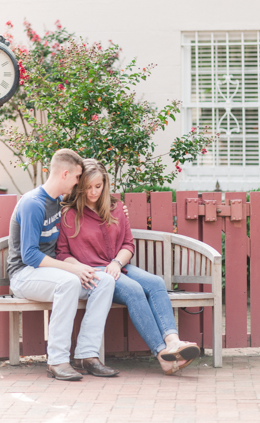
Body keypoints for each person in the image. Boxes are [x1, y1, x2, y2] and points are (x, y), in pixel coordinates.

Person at [57, 159, 201, 375]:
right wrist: (80, 268)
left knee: (155, 282)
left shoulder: (115, 208)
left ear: (105, 184)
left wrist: (116, 262)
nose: (93, 192)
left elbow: (127, 244)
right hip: (94, 273)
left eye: (98, 186)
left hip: (118, 265)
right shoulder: (70, 215)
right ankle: (163, 355)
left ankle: (174, 342)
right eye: (88, 187)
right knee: (134, 291)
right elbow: (63, 254)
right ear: (80, 186)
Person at [6, 149, 119, 381]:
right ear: (65, 174)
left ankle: (88, 356)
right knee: (68, 282)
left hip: (51, 274)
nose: (79, 183)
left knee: (104, 281)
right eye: (78, 177)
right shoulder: (32, 204)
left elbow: (90, 208)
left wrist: (120, 208)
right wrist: (74, 268)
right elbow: (29, 256)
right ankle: (57, 361)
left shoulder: (57, 201)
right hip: (25, 275)